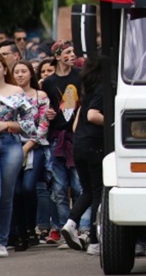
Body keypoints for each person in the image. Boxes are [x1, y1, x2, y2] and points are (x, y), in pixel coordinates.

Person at [0, 54, 36, 259]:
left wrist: (9, 125)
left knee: (6, 194)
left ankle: (2, 242)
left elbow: (30, 124)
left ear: (4, 70)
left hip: (11, 143)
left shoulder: (17, 92)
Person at [61, 55, 104, 256]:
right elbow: (92, 115)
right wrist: (113, 122)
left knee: (87, 191)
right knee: (98, 193)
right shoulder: (103, 88)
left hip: (79, 145)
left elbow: (78, 122)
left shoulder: (87, 90)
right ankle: (95, 241)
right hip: (95, 145)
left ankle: (71, 223)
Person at [42, 41, 83, 246]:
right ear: (58, 56)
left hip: (76, 137)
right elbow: (45, 108)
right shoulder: (48, 82)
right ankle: (63, 228)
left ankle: (82, 228)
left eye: (73, 51)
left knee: (79, 186)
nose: (72, 55)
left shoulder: (80, 76)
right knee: (59, 188)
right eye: (67, 52)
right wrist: (48, 113)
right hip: (57, 139)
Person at [10, 61, 50, 252]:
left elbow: (43, 124)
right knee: (15, 191)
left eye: (23, 71)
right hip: (12, 145)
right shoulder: (9, 96)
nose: (19, 75)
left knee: (28, 188)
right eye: (16, 71)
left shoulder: (39, 95)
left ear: (31, 73)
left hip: (35, 146)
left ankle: (31, 228)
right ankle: (20, 232)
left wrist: (28, 145)